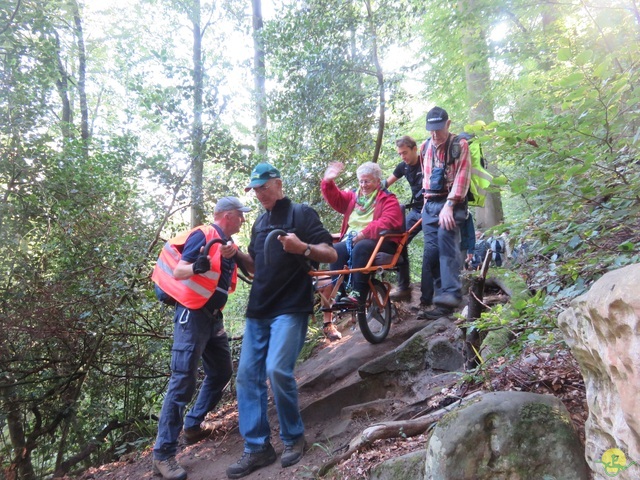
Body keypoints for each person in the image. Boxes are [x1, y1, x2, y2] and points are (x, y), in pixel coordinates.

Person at [226, 163, 337, 479]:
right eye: (255, 189)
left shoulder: (301, 214)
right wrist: (236, 254)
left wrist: (302, 248)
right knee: (247, 377)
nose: (259, 193)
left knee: (277, 369)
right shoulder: (260, 223)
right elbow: (257, 268)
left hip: (291, 307)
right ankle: (258, 448)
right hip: (259, 309)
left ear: (278, 183)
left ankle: (293, 437)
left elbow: (330, 253)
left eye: (263, 187)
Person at [151, 197, 251, 480]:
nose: (243, 220)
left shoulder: (225, 244)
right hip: (192, 316)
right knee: (183, 380)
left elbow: (244, 272)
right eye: (240, 216)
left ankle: (193, 425)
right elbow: (182, 270)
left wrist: (233, 255)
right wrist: (198, 266)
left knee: (221, 371)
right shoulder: (204, 234)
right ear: (228, 216)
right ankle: (163, 455)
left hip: (211, 317)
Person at [321, 161, 403, 308]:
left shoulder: (387, 199)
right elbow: (337, 200)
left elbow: (389, 220)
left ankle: (358, 294)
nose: (364, 185)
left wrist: (364, 234)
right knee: (335, 251)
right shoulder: (353, 196)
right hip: (353, 239)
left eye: (368, 181)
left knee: (361, 247)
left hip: (379, 241)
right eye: (361, 181)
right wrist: (328, 182)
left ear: (378, 181)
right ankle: (339, 293)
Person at [419, 106, 471, 320]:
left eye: (439, 129)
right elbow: (426, 176)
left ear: (448, 124)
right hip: (430, 204)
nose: (434, 134)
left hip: (452, 202)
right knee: (431, 252)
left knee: (445, 236)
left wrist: (449, 205)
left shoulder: (459, 145)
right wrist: (425, 205)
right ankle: (443, 303)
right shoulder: (424, 147)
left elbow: (462, 177)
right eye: (431, 129)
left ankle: (452, 293)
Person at [384, 136, 424, 302]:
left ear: (415, 149)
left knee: (434, 246)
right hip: (416, 211)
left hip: (432, 210)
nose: (403, 157)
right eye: (400, 154)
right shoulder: (403, 167)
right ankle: (404, 287)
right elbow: (385, 184)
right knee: (399, 241)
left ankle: (440, 287)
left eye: (405, 153)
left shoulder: (426, 161)